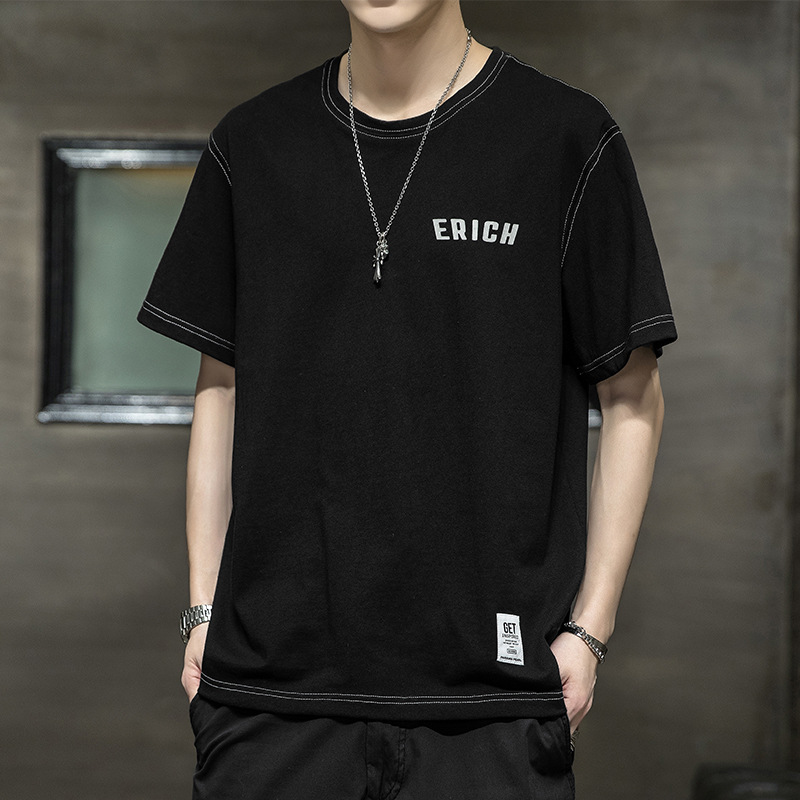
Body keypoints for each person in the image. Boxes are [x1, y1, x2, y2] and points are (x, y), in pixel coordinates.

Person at [136, 1, 677, 797]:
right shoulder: (253, 145)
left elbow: (632, 397)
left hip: (493, 704)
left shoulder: (563, 138)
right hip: (269, 702)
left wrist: (589, 632)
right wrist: (203, 612)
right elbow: (222, 387)